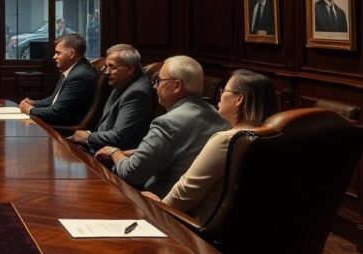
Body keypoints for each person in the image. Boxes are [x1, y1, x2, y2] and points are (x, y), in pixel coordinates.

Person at [145, 69, 279, 225]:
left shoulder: (227, 140)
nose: (220, 96)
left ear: (239, 99)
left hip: (200, 232)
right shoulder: (273, 137)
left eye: (224, 90)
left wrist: (158, 205)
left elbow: (183, 195)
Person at [95, 55, 228, 197]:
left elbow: (131, 173)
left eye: (158, 81)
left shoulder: (167, 123)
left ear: (177, 85)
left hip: (161, 204)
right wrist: (133, 152)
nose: (154, 86)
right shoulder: (218, 115)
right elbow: (181, 151)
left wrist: (114, 152)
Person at [70, 44, 153, 153]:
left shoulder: (137, 93)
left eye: (112, 67)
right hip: (97, 146)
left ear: (130, 69)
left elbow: (119, 137)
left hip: (111, 156)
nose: (106, 72)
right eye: (106, 67)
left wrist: (87, 137)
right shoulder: (122, 82)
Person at [18, 33, 97, 127]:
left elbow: (56, 113)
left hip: (64, 128)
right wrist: (33, 103)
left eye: (58, 53)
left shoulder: (80, 76)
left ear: (71, 54)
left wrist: (29, 110)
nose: (54, 57)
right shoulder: (72, 70)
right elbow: (53, 100)